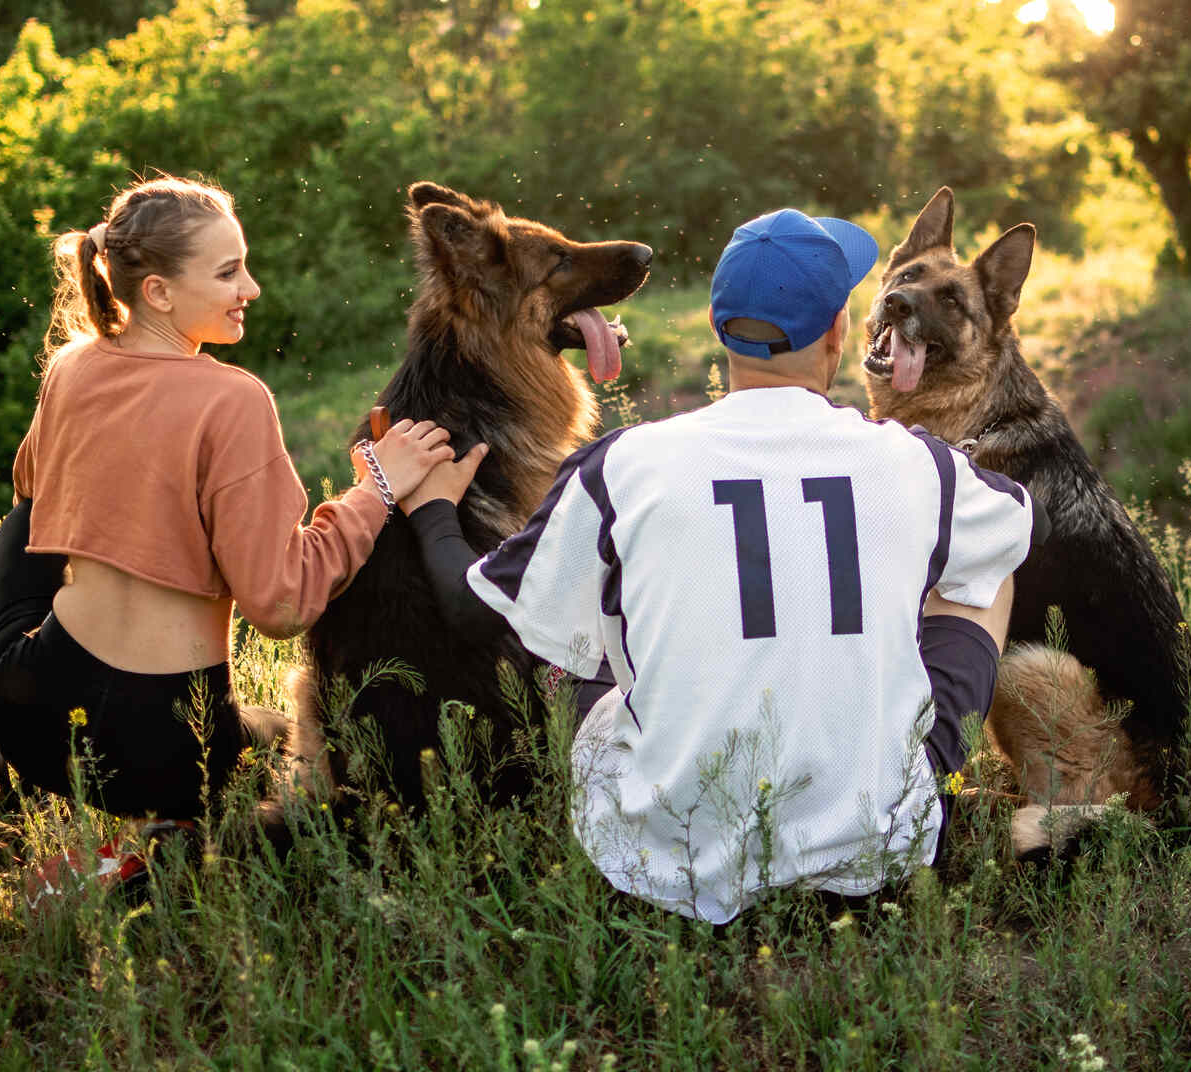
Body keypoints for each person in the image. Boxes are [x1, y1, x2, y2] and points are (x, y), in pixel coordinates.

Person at [403, 208, 1042, 922]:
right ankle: (908, 775)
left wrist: (431, 506)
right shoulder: (921, 465)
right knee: (986, 568)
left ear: (715, 323)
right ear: (837, 332)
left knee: (585, 627)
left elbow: (471, 611)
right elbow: (1015, 525)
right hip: (877, 842)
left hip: (664, 861)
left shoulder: (623, 464)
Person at [0, 176, 457, 822]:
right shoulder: (235, 401)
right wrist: (376, 487)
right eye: (230, 272)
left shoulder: (69, 367)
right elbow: (281, 603)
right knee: (263, 744)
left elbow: (33, 494)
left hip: (31, 715)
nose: (251, 290)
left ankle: (59, 791)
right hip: (168, 751)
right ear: (159, 293)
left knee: (29, 511)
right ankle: (171, 835)